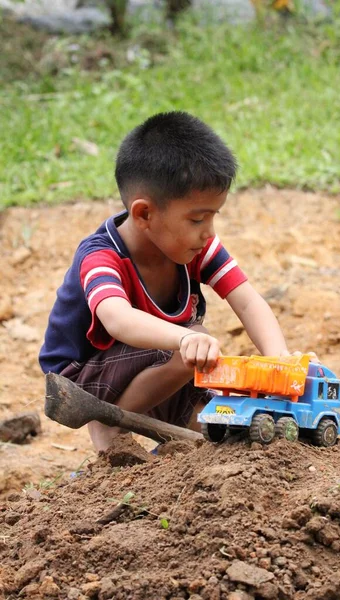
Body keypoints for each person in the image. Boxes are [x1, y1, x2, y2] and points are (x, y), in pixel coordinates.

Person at [39, 111, 293, 452]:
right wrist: (187, 337)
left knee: (214, 427)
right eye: (198, 218)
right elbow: (116, 318)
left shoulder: (194, 245)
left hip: (156, 361)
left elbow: (246, 300)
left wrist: (282, 361)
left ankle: (165, 441)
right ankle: (109, 429)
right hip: (82, 377)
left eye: (214, 216)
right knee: (193, 345)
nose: (209, 232)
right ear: (144, 213)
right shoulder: (101, 255)